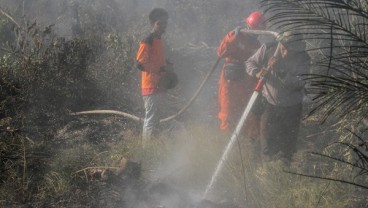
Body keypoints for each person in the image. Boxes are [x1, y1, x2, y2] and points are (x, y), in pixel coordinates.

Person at [245, 31, 311, 165]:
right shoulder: (268, 48)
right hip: (270, 104)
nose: (286, 53)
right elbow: (250, 62)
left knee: (287, 147)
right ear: (280, 44)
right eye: (284, 48)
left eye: (290, 50)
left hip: (292, 108)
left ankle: (285, 171)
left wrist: (280, 71)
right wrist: (257, 72)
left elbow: (300, 83)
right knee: (267, 143)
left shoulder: (304, 58)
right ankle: (266, 171)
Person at [217, 11, 266, 139]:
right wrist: (231, 37)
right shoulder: (236, 36)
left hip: (247, 85)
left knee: (248, 115)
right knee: (228, 115)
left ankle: (247, 145)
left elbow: (257, 66)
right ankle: (226, 144)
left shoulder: (257, 46)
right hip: (230, 84)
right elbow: (221, 52)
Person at [136, 8, 172, 146]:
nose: (163, 26)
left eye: (165, 23)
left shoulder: (159, 41)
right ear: (152, 23)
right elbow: (140, 63)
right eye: (160, 23)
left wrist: (167, 66)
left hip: (159, 85)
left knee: (156, 119)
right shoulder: (148, 40)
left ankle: (153, 147)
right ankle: (147, 149)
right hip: (150, 86)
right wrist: (160, 69)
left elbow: (157, 61)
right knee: (151, 119)